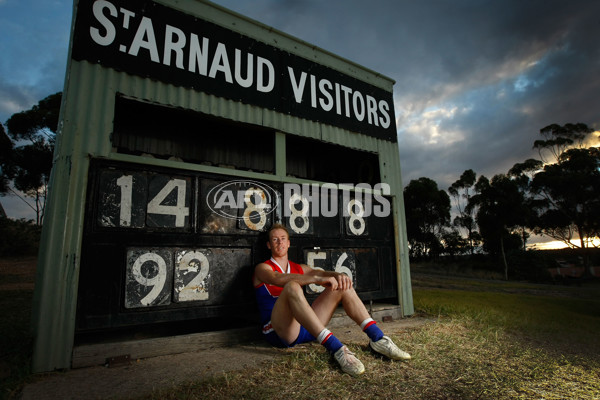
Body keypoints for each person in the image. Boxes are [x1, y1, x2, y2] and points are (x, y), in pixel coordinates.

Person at [252, 223, 411, 377]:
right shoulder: (262, 268)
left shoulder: (300, 268)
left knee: (343, 284)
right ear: (268, 245)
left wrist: (338, 275)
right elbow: (276, 278)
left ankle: (378, 339)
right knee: (292, 286)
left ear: (288, 243)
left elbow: (321, 274)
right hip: (281, 331)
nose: (279, 242)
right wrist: (312, 278)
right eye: (275, 239)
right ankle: (336, 348)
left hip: (308, 327)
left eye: (283, 238)